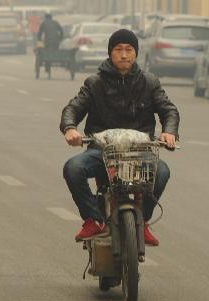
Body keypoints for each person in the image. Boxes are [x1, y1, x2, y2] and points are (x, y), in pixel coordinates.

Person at [60, 28, 179, 246]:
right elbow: (73, 108)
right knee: (73, 168)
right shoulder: (94, 83)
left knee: (162, 172)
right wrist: (70, 128)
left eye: (129, 50)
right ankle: (93, 219)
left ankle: (142, 221)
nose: (124, 55)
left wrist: (169, 131)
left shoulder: (150, 83)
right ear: (110, 53)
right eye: (118, 49)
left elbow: (169, 110)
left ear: (136, 53)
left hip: (140, 153)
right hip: (101, 152)